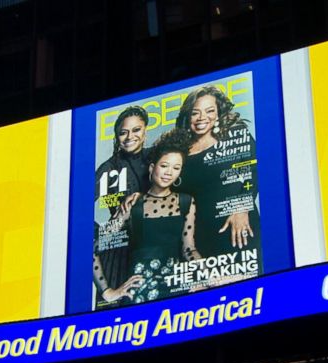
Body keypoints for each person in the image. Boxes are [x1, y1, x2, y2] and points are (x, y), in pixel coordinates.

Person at [94, 129, 202, 304]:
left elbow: (189, 249)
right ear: (152, 168)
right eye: (164, 165)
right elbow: (94, 247)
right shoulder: (132, 205)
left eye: (176, 168)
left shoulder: (186, 202)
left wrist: (208, 274)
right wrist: (107, 291)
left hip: (175, 287)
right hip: (139, 293)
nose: (169, 172)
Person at [174, 85, 261, 264]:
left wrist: (242, 207)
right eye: (195, 112)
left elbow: (256, 170)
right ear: (187, 116)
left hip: (238, 226)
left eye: (209, 111)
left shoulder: (235, 135)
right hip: (197, 239)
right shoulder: (178, 151)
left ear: (218, 113)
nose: (202, 118)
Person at [94, 106, 151, 308]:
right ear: (117, 136)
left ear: (146, 131)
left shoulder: (158, 158)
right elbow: (76, 215)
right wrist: (105, 233)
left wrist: (144, 196)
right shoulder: (108, 169)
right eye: (123, 132)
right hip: (117, 255)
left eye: (136, 130)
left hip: (153, 248)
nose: (130, 137)